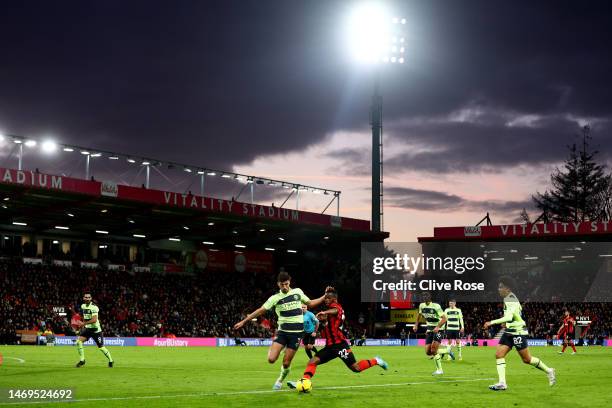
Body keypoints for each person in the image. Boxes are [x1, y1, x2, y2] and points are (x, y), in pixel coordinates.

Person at [233, 271, 330, 390]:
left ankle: (280, 380)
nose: (285, 287)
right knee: (271, 359)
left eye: (287, 284)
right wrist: (244, 321)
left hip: (296, 335)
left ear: (289, 282)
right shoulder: (275, 298)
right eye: (282, 284)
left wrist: (324, 296)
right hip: (283, 333)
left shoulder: (297, 292)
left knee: (286, 363)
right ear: (278, 284)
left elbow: (310, 303)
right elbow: (260, 310)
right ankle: (277, 345)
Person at [287, 290, 388, 389]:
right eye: (325, 298)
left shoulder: (337, 307)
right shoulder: (329, 312)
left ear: (334, 299)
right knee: (312, 361)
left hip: (340, 345)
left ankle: (376, 360)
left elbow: (336, 311)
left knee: (356, 368)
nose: (326, 300)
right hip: (330, 346)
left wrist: (325, 312)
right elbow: (327, 325)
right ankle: (303, 382)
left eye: (328, 298)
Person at [483, 276, 556, 391]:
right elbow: (512, 316)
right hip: (509, 332)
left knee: (527, 359)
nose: (498, 289)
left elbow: (509, 316)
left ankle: (549, 370)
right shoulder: (507, 298)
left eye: (501, 287)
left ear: (507, 288)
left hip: (517, 333)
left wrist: (491, 322)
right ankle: (502, 383)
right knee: (499, 355)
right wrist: (506, 323)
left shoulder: (510, 298)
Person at [414, 292, 454, 375]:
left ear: (430, 297)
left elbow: (444, 319)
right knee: (428, 352)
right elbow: (419, 315)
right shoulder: (422, 305)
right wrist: (416, 325)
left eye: (426, 296)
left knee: (433, 350)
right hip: (430, 329)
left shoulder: (436, 306)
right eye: (423, 296)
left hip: (439, 328)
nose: (424, 297)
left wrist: (438, 327)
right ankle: (447, 350)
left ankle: (439, 370)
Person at [74, 293, 114, 368]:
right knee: (79, 342)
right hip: (88, 329)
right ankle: (82, 360)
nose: (87, 298)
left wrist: (83, 324)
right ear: (83, 298)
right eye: (86, 297)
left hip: (96, 330)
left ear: (91, 298)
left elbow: (94, 320)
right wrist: (82, 326)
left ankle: (111, 360)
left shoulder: (94, 307)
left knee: (101, 347)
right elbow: (85, 317)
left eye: (89, 297)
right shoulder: (83, 306)